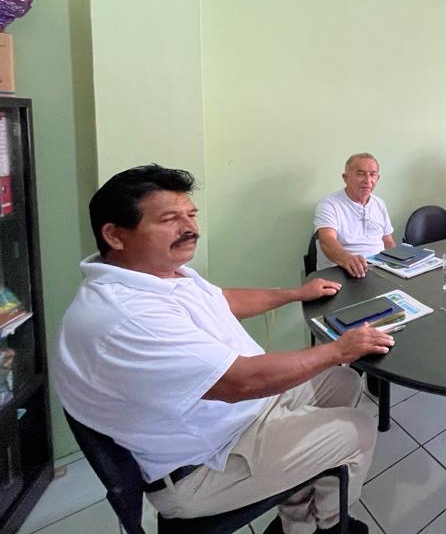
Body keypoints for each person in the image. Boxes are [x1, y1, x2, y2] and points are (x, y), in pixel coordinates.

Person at [53, 165, 392, 534]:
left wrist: (295, 293)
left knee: (343, 382)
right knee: (358, 428)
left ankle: (298, 521)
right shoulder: (124, 316)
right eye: (170, 219)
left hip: (235, 415)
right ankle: (329, 526)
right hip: (203, 463)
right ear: (114, 235)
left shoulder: (158, 274)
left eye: (191, 215)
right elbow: (243, 382)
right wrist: (338, 350)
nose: (190, 228)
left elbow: (221, 300)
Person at [314, 153, 396, 277]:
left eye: (372, 174)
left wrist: (397, 265)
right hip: (342, 271)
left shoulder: (379, 204)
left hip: (378, 270)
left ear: (378, 178)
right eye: (360, 174)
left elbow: (388, 241)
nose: (367, 180)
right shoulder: (329, 204)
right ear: (345, 178)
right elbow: (327, 241)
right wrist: (348, 260)